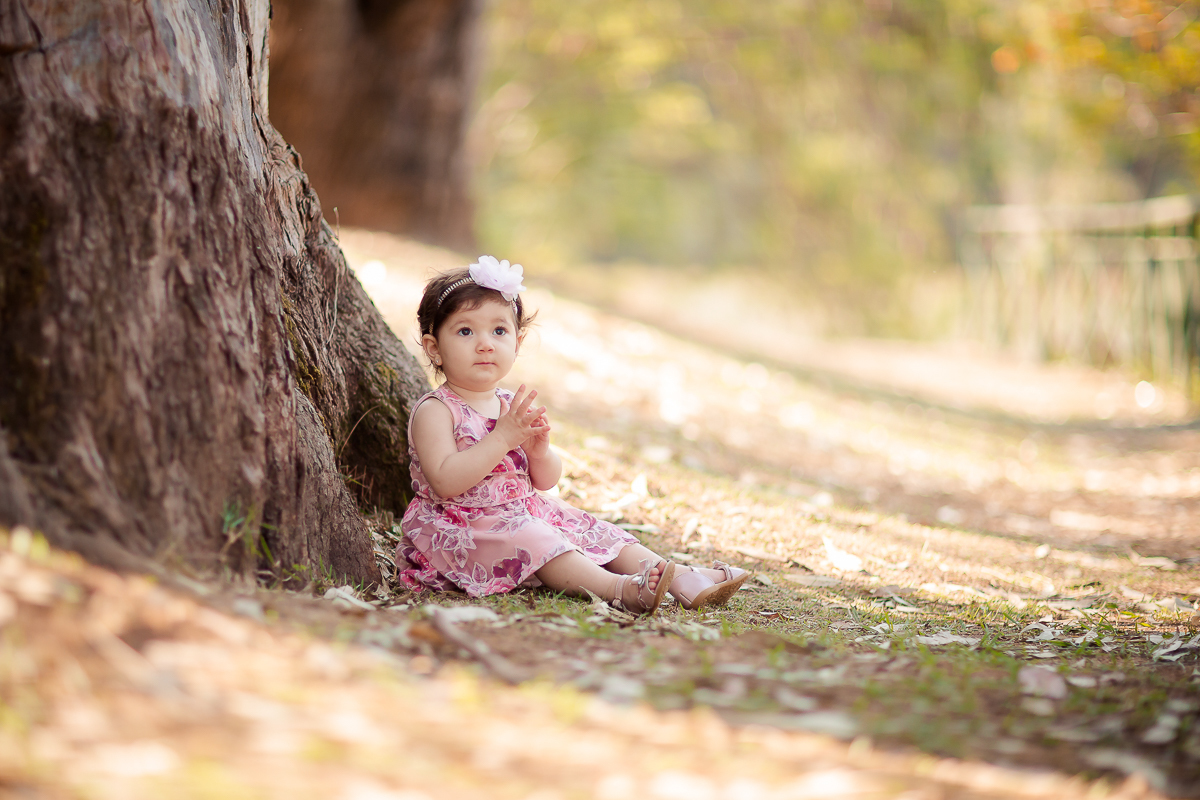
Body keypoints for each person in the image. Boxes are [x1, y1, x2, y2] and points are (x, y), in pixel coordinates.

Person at [393, 256, 748, 614]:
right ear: (434, 348)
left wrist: (538, 453)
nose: (485, 344)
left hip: (520, 511)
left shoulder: (508, 404)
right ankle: (620, 589)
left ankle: (682, 578)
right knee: (535, 536)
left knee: (586, 526)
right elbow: (445, 482)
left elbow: (545, 482)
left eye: (499, 331)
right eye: (466, 331)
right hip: (463, 527)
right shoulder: (436, 410)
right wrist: (502, 439)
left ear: (517, 343)